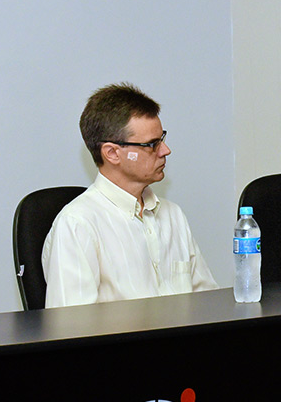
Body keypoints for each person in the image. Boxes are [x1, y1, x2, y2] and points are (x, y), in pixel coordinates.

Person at [43, 84, 217, 307]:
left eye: (162, 138)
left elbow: (208, 304)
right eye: (152, 144)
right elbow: (73, 331)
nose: (165, 150)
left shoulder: (173, 215)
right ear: (112, 153)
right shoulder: (77, 225)